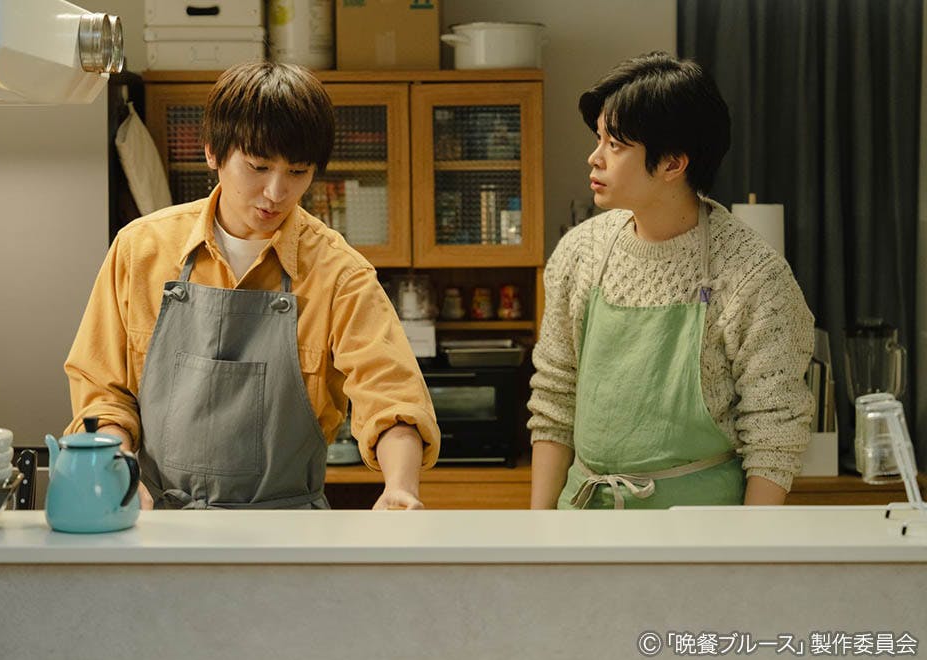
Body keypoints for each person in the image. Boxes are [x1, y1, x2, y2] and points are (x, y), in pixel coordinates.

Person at [64, 61, 439, 510]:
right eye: (258, 167)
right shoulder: (140, 250)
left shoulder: (340, 273)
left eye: (297, 172)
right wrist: (119, 468)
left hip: (287, 529)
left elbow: (392, 396)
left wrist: (400, 487)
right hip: (157, 522)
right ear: (212, 153)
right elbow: (102, 390)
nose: (276, 193)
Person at [528, 52, 814, 510]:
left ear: (672, 164)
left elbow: (774, 433)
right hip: (583, 520)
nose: (594, 158)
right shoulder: (580, 253)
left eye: (615, 145)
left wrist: (750, 548)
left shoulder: (754, 277)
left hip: (701, 531)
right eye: (598, 139)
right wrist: (540, 530)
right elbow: (554, 398)